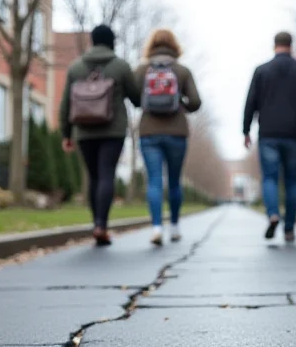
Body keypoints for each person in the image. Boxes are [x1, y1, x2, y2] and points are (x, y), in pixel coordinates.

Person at [60, 24, 140, 246]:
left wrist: (66, 134)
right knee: (107, 175)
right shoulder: (121, 67)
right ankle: (102, 225)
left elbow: (65, 103)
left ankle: (95, 222)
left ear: (92, 41)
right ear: (112, 41)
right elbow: (137, 98)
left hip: (84, 132)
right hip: (112, 131)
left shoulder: (75, 68)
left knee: (94, 177)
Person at [243, 31, 296, 242]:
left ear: (274, 45)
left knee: (269, 177)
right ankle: (289, 229)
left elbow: (250, 102)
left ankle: (273, 214)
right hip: (295, 134)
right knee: (292, 181)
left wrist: (246, 131)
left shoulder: (261, 71)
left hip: (268, 133)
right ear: (291, 45)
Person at [134, 29, 202, 246]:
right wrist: (180, 102)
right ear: (175, 46)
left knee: (154, 180)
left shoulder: (143, 70)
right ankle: (174, 226)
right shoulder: (182, 71)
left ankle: (156, 227)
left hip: (149, 132)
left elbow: (135, 98)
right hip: (176, 132)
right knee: (174, 181)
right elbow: (196, 102)